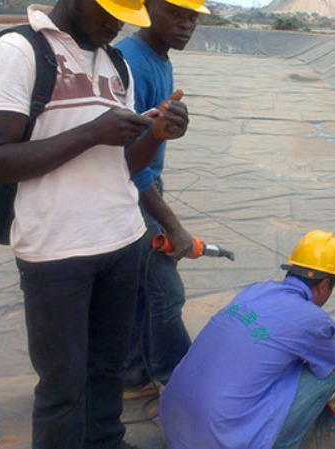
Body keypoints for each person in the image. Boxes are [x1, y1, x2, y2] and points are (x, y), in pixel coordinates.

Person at [0, 0, 189, 447]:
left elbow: (123, 164)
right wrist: (90, 133)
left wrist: (155, 134)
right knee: (62, 387)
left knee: (107, 371)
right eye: (108, 11)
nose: (116, 23)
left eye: (124, 14)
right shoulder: (20, 51)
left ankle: (106, 441)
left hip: (121, 241)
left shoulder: (115, 61)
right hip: (56, 251)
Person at [159, 230, 335, 449]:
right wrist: (318, 397)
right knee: (325, 378)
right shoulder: (315, 320)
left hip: (174, 422)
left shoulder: (256, 290)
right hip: (219, 440)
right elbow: (334, 372)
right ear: (324, 285)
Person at [114, 0, 209, 398]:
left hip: (143, 186)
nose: (186, 25)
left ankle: (134, 375)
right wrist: (173, 226)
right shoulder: (133, 63)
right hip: (134, 192)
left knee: (141, 291)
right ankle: (180, 382)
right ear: (148, 7)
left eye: (192, 17)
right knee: (166, 293)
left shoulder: (157, 57)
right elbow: (127, 165)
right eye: (176, 13)